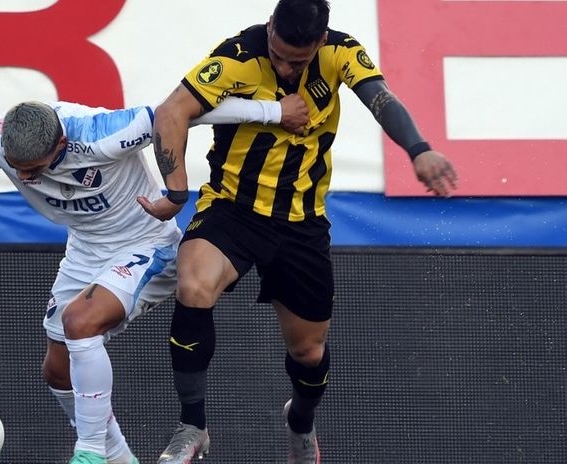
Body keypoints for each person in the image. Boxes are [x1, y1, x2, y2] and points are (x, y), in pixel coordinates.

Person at [0, 96, 302, 464]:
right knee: (57, 370)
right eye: (17, 168)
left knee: (80, 323)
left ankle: (89, 452)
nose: (24, 177)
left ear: (62, 143)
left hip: (147, 244)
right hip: (85, 251)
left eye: (34, 169)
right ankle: (119, 457)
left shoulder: (103, 132)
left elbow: (186, 110)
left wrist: (274, 112)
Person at [136, 0, 459, 463]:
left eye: (298, 61)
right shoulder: (237, 55)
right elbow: (171, 111)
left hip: (302, 223)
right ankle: (193, 426)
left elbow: (381, 99)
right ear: (270, 27)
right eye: (279, 55)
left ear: (321, 42)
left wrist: (419, 149)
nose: (286, 68)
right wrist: (175, 190)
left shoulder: (340, 52)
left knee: (309, 352)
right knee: (193, 286)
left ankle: (301, 422)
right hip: (232, 209)